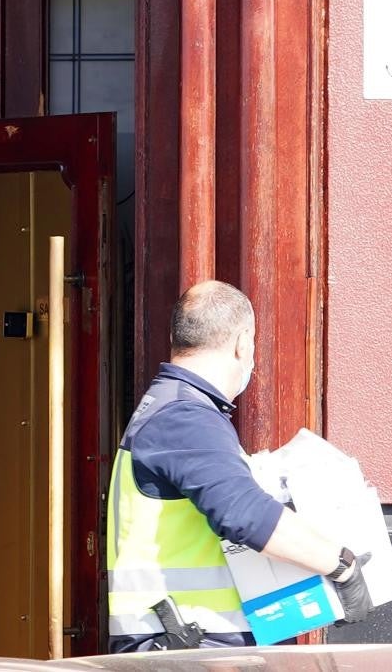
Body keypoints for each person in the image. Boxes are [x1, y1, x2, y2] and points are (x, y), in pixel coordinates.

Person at [106, 280, 373, 653]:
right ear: (242, 342)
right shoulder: (184, 418)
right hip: (187, 647)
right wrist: (341, 566)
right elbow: (245, 514)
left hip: (185, 644)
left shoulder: (174, 409)